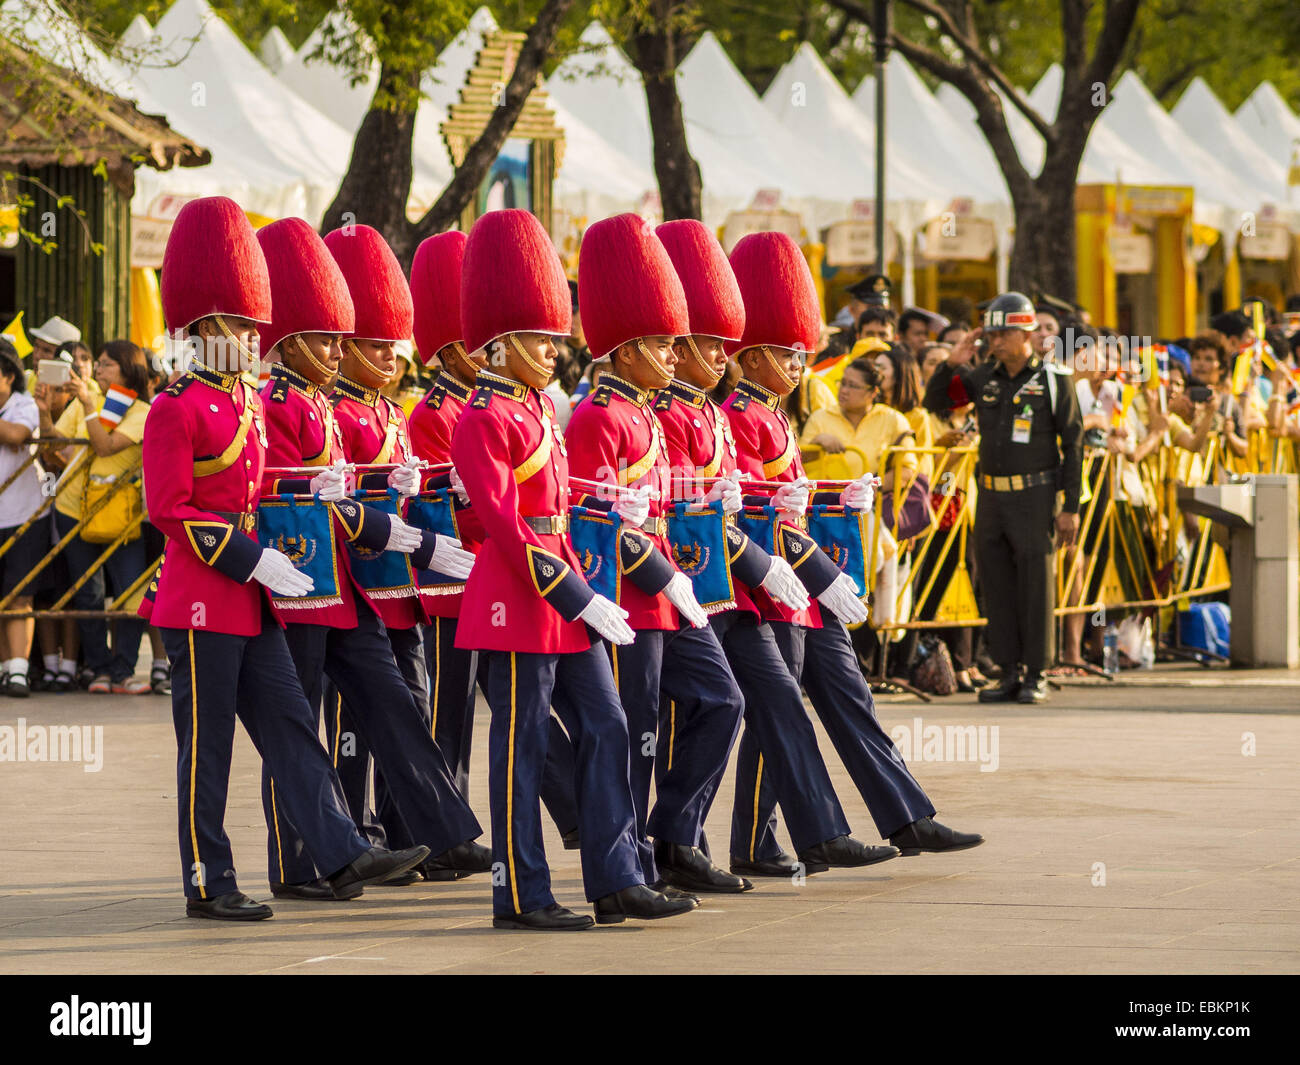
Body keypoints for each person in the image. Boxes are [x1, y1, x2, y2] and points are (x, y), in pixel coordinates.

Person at [143, 196, 427, 920]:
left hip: (254, 594)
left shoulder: (242, 403)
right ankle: (209, 878)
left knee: (293, 728)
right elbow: (170, 509)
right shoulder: (175, 406)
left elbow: (266, 485)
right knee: (206, 754)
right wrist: (250, 559)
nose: (252, 335)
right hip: (205, 597)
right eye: (240, 323)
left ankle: (340, 848)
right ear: (205, 326)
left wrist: (322, 488)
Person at [451, 208, 694, 929]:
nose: (553, 350)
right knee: (521, 751)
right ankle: (520, 891)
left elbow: (562, 508)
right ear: (498, 343)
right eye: (537, 337)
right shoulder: (482, 415)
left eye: (557, 337)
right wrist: (578, 594)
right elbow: (504, 523)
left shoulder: (537, 407)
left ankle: (617, 875)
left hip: (563, 591)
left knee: (608, 725)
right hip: (520, 596)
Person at [724, 231, 983, 859]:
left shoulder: (775, 413)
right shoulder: (740, 414)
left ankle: (905, 815)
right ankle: (764, 839)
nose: (798, 366)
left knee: (848, 695)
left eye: (798, 354)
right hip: (771, 584)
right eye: (786, 354)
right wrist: (819, 566)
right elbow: (761, 515)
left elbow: (794, 497)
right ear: (751, 356)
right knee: (777, 713)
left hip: (802, 580)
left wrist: (844, 496)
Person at [253, 217, 487, 898]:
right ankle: (299, 860)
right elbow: (286, 497)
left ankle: (443, 829)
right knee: (300, 720)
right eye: (327, 337)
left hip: (346, 581)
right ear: (291, 341)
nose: (337, 349)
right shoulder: (277, 403)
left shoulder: (320, 403)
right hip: (299, 578)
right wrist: (393, 520)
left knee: (394, 702)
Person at [655, 218, 889, 877]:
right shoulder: (674, 413)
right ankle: (658, 843)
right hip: (679, 581)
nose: (710, 354)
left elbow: (753, 499)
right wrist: (772, 561)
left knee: (748, 704)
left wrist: (832, 512)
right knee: (671, 722)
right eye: (699, 342)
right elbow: (675, 509)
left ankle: (713, 840)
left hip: (730, 582)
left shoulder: (710, 411)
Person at [567, 213, 746, 896]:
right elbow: (597, 526)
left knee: (722, 702)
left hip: (668, 593)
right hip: (623, 597)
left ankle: (672, 833)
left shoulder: (643, 411)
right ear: (624, 348)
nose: (675, 354)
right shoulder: (597, 417)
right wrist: (666, 576)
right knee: (630, 733)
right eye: (662, 342)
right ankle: (625, 866)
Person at [957, 292, 1084, 705]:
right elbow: (937, 399)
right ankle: (1008, 670)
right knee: (997, 583)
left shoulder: (1053, 378)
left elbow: (1075, 444)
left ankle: (1037, 671)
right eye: (992, 333)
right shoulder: (983, 377)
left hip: (1035, 493)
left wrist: (1070, 507)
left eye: (1005, 332)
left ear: (1027, 332)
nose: (996, 340)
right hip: (991, 495)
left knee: (1035, 584)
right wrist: (953, 360)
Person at [45, 341, 154, 694]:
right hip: (73, 509)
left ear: (127, 369)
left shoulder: (139, 410)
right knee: (88, 594)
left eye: (106, 365)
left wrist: (89, 405)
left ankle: (123, 669)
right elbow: (57, 445)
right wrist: (44, 411)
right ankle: (100, 669)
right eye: (101, 365)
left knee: (130, 592)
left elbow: (105, 446)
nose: (99, 370)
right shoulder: (87, 401)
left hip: (120, 514)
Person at [0, 339, 45, 696]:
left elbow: (17, 435)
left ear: (8, 376)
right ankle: (5, 667)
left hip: (22, 515)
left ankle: (19, 669)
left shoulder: (24, 405)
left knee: (19, 594)